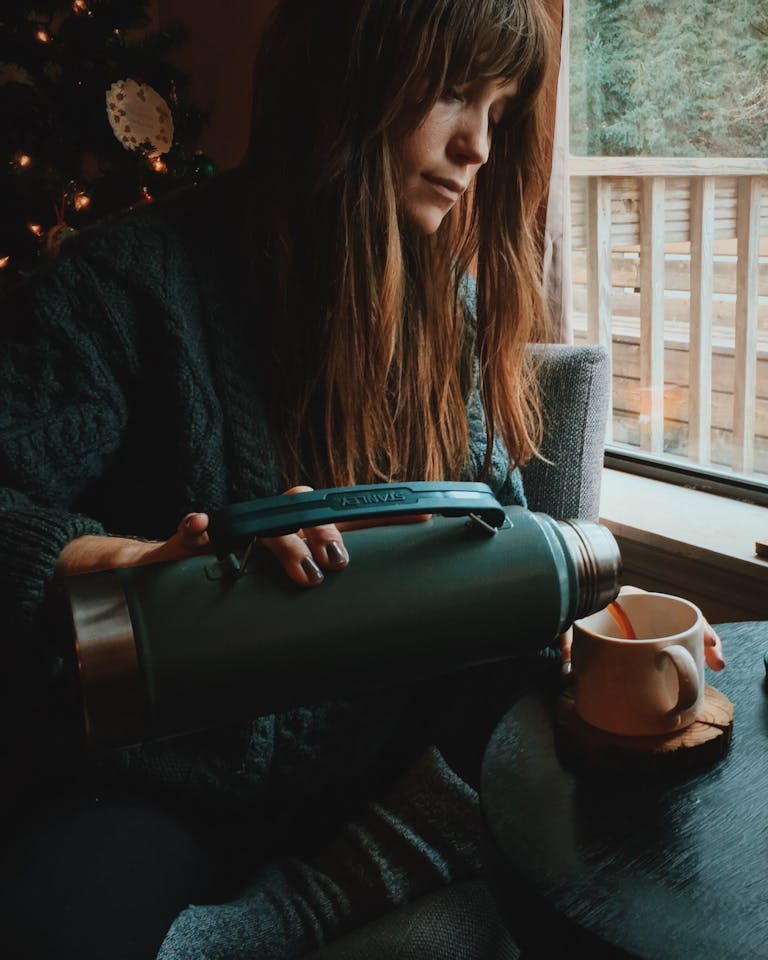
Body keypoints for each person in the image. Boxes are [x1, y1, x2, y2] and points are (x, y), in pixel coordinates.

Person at [0, 1, 724, 958]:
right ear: (350, 74)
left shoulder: (449, 305)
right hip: (168, 778)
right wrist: (154, 562)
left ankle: (307, 901)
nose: (477, 147)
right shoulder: (126, 284)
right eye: (456, 92)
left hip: (387, 747)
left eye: (499, 112)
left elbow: (496, 524)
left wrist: (604, 628)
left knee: (634, 806)